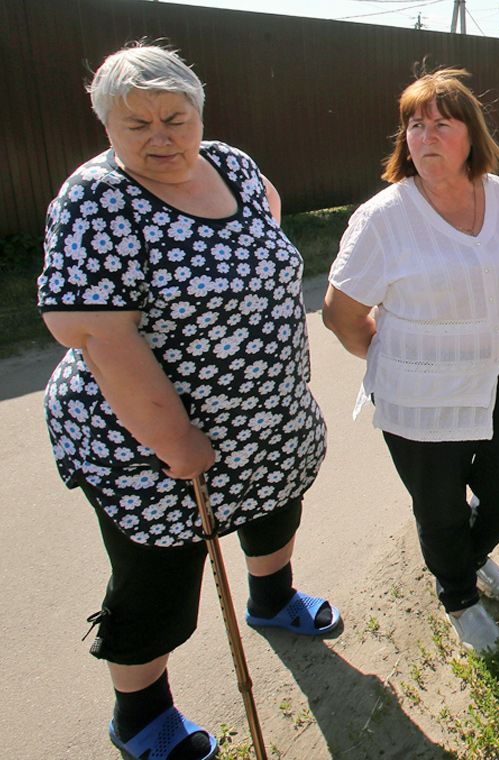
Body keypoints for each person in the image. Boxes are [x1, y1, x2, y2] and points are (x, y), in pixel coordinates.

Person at [38, 42, 336, 760]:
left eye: (175, 117)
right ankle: (139, 716)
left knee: (275, 512)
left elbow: (266, 222)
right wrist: (177, 442)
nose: (160, 136)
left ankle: (274, 603)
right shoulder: (97, 200)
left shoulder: (231, 164)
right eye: (135, 123)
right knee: (159, 580)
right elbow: (103, 339)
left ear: (199, 114)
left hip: (269, 416)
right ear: (105, 123)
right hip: (153, 444)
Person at [324, 68, 499, 656]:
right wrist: (391, 355)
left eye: (441, 125)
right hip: (418, 394)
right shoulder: (383, 217)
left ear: (471, 135)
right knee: (440, 506)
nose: (425, 136)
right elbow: (341, 314)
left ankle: (468, 559)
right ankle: (458, 594)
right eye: (414, 125)